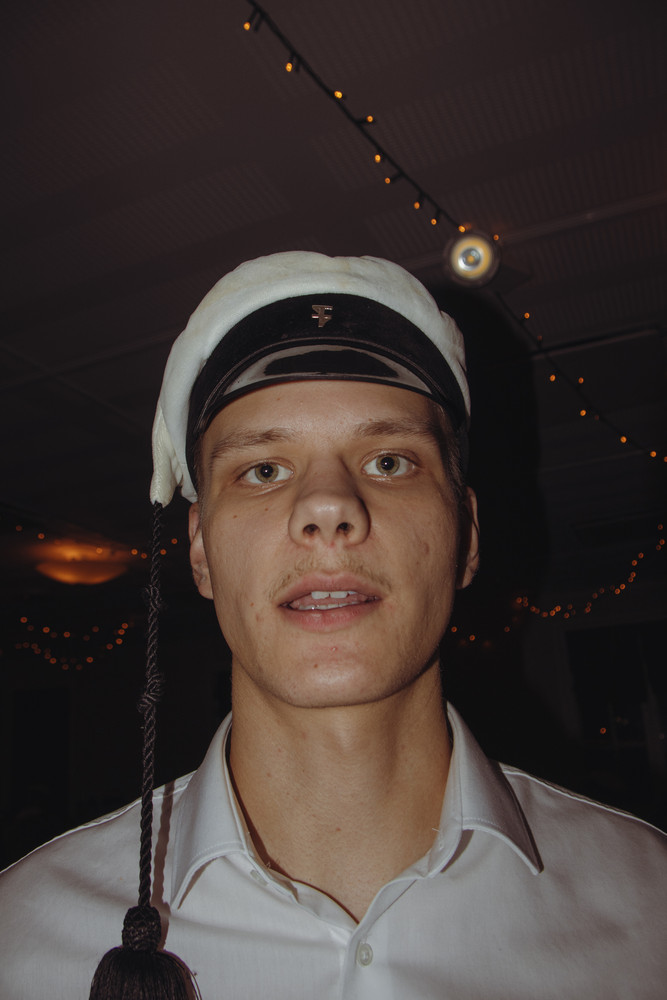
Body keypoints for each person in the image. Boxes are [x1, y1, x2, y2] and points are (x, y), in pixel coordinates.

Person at [1, 251, 666, 999]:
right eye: (263, 470)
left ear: (468, 536)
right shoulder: (19, 937)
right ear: (200, 552)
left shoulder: (650, 905)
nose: (328, 508)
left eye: (389, 462)